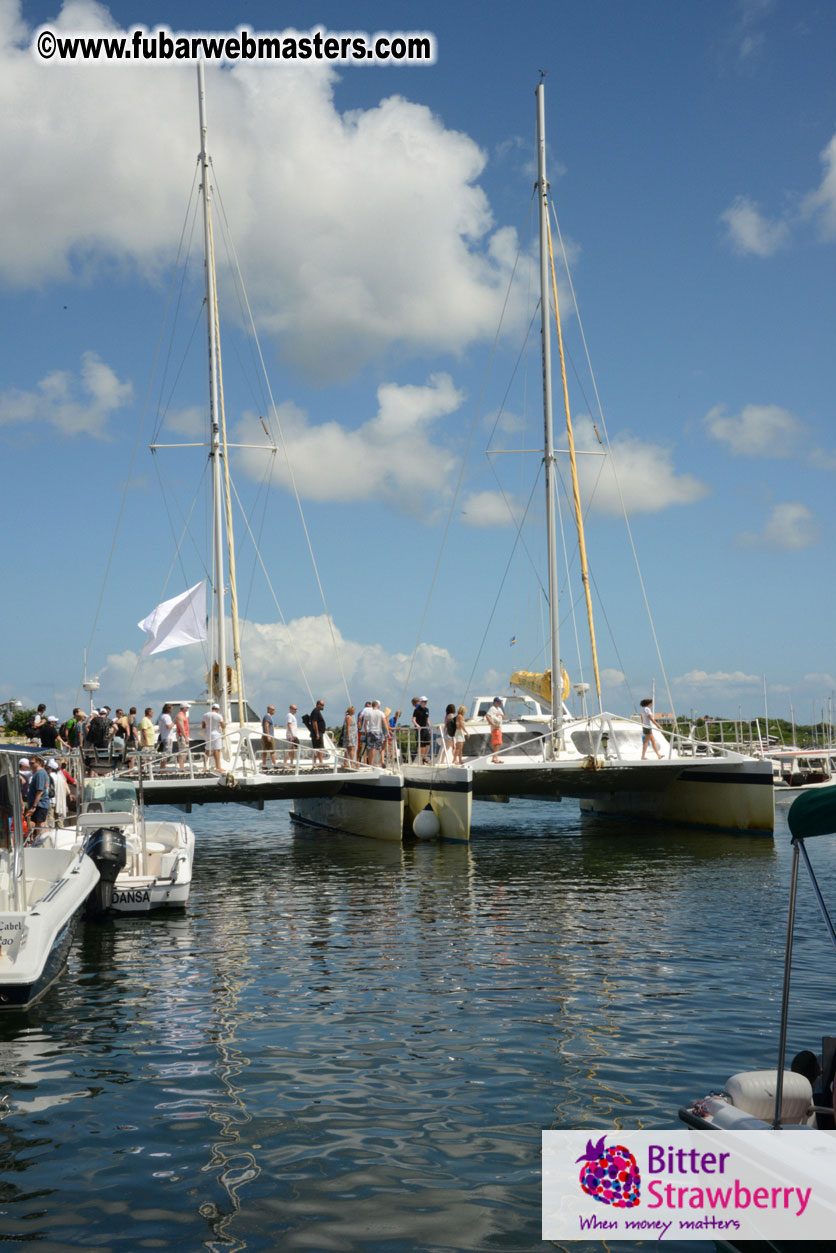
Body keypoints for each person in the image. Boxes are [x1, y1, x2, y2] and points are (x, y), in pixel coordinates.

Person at [25, 754, 51, 836]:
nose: (30, 765)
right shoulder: (38, 773)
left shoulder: (40, 773)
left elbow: (40, 791)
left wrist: (34, 806)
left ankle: (40, 841)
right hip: (39, 804)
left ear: (39, 762)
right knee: (36, 825)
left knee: (39, 825)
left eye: (32, 763)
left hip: (40, 805)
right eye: (29, 763)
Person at [362, 700, 387, 767]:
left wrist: (365, 731)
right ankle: (379, 763)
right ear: (377, 705)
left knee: (370, 748)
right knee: (379, 748)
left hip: (370, 731)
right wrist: (387, 732)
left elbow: (365, 724)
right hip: (378, 732)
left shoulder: (368, 713)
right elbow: (384, 722)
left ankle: (371, 764)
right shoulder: (381, 713)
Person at [202, 703, 225, 772]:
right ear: (217, 709)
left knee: (207, 750)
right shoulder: (219, 716)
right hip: (216, 734)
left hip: (208, 734)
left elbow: (203, 726)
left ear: (212, 708)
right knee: (217, 750)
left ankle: (204, 767)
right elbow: (223, 726)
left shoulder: (205, 715)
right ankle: (218, 767)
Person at [485, 697, 505, 764]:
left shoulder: (499, 709)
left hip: (499, 728)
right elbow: (487, 716)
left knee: (497, 743)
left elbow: (503, 717)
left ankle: (495, 757)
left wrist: (500, 715)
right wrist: (493, 724)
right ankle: (494, 757)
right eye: (498, 702)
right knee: (498, 743)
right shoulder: (492, 708)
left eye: (500, 702)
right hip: (495, 728)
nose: (500, 703)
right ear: (495, 702)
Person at [412, 696, 431, 764]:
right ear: (421, 702)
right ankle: (422, 759)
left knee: (428, 743)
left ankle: (425, 757)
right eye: (424, 701)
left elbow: (427, 719)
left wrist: (430, 726)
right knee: (422, 745)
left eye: (426, 702)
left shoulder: (427, 710)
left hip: (425, 728)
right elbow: (413, 720)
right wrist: (417, 725)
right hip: (420, 729)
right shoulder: (416, 710)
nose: (425, 703)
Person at [308, 700, 326, 766]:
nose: (323, 706)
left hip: (317, 733)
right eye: (322, 705)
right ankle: (320, 763)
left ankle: (315, 763)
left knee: (316, 748)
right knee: (319, 748)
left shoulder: (317, 711)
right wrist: (317, 733)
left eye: (323, 705)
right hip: (317, 733)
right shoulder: (315, 711)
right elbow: (314, 722)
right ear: (318, 705)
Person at [157, 703, 175, 768]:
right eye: (172, 709)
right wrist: (173, 723)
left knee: (164, 754)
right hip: (168, 737)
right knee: (166, 754)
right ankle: (163, 768)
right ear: (169, 709)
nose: (172, 710)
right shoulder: (167, 716)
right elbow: (168, 726)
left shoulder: (161, 716)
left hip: (163, 736)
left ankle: (162, 767)